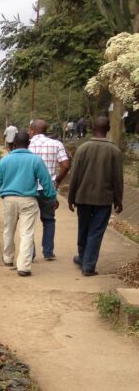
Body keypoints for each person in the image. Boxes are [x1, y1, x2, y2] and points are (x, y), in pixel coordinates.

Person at [0, 130, 57, 276]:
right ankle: (24, 267)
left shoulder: (5, 160)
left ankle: (8, 259)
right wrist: (52, 197)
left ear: (13, 143)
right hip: (29, 200)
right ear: (29, 144)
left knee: (9, 230)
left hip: (9, 200)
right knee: (27, 233)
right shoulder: (36, 160)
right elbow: (46, 182)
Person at [66, 116, 125, 277]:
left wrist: (70, 198)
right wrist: (118, 200)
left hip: (83, 197)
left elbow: (75, 176)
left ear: (92, 128)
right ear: (108, 130)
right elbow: (117, 179)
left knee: (83, 229)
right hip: (103, 199)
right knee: (96, 232)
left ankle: (83, 257)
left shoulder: (83, 149)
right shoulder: (115, 151)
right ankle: (88, 265)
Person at [28, 119, 70, 261]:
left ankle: (30, 254)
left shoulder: (27, 145)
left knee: (28, 222)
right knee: (49, 220)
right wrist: (57, 180)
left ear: (32, 130)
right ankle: (48, 252)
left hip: (30, 189)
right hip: (49, 189)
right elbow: (65, 165)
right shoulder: (56, 144)